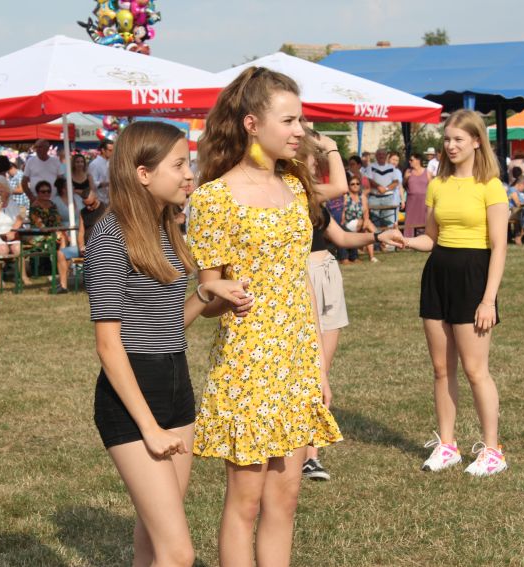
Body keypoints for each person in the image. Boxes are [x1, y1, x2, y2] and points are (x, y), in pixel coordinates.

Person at [188, 67, 342, 565]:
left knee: (287, 496)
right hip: (247, 364)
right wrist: (220, 292)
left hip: (295, 361)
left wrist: (318, 368)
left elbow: (300, 282)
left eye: (302, 120)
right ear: (252, 124)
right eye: (289, 120)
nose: (300, 131)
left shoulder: (295, 188)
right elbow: (208, 293)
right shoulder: (213, 198)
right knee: (247, 500)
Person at [85, 120, 252, 567]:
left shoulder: (164, 230)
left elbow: (167, 324)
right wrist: (149, 427)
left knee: (153, 539)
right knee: (178, 553)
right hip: (132, 398)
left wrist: (207, 293)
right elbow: (108, 346)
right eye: (178, 165)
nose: (189, 174)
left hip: (176, 387)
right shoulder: (110, 237)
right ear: (143, 173)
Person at [402, 109, 510, 477]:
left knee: (476, 370)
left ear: (477, 141)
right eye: (447, 139)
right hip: (438, 275)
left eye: (458, 139)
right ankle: (447, 445)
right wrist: (406, 241)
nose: (450, 145)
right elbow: (431, 238)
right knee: (440, 369)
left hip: (473, 277)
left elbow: (499, 247)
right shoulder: (437, 184)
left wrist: (488, 299)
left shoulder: (491, 186)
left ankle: (493, 450)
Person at [301, 137, 404, 480]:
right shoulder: (291, 192)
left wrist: (378, 236)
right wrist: (330, 144)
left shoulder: (313, 200)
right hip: (303, 278)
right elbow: (343, 186)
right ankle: (302, 452)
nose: (318, 165)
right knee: (310, 370)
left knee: (322, 370)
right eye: (313, 160)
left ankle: (310, 454)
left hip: (327, 275)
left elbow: (343, 238)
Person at [0, 180, 29, 286]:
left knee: (17, 248)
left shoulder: (13, 205)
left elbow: (19, 220)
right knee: (2, 249)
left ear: (7, 193)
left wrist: (12, 232)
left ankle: (24, 276)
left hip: (11, 232)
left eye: (1, 191)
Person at [337, 174, 377, 263]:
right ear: (349, 186)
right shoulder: (346, 196)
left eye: (357, 184)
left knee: (367, 231)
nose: (355, 185)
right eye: (352, 184)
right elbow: (342, 212)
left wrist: (365, 223)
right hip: (348, 224)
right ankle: (380, 237)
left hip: (360, 224)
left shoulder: (362, 197)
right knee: (367, 224)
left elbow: (366, 213)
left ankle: (372, 257)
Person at [366, 148, 401, 231]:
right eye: (379, 154)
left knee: (389, 223)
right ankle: (377, 239)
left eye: (383, 154)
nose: (381, 156)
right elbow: (368, 180)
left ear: (386, 156)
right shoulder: (370, 166)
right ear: (376, 156)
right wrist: (378, 187)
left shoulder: (391, 167)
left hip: (389, 198)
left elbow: (396, 182)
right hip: (374, 198)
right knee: (375, 223)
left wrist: (386, 188)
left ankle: (388, 239)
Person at [403, 152, 431, 237]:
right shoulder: (408, 171)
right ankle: (409, 238)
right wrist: (406, 178)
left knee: (423, 220)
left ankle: (423, 237)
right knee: (410, 221)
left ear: (418, 160)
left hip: (423, 202)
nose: (409, 161)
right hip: (412, 202)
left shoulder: (427, 172)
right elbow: (403, 186)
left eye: (411, 160)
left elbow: (432, 187)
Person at [88, 139, 114, 204]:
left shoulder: (111, 162)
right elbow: (93, 183)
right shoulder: (94, 164)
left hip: (110, 199)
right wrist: (108, 183)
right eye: (110, 150)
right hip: (100, 200)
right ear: (103, 150)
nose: (112, 152)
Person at [507, 175, 524, 245]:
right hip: (512, 212)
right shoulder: (512, 190)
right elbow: (517, 203)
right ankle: (519, 236)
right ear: (521, 184)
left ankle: (520, 235)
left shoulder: (520, 192)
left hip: (519, 212)